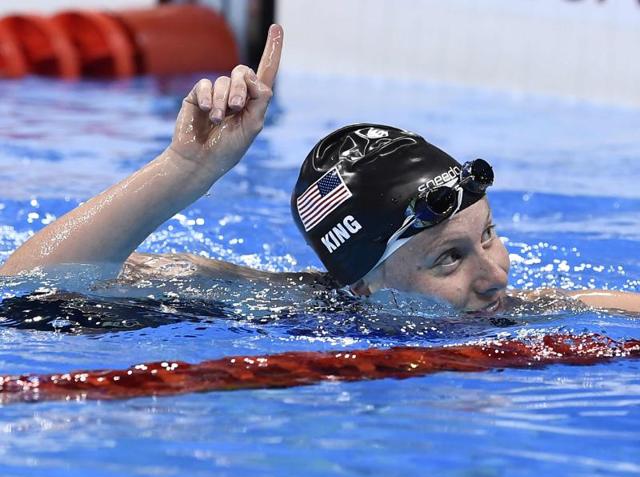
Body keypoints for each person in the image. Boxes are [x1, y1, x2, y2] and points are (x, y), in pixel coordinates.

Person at [0, 24, 638, 315]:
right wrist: (184, 171)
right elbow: (24, 288)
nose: (493, 276)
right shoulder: (263, 307)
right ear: (363, 284)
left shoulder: (502, 310)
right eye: (449, 258)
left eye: (488, 235)